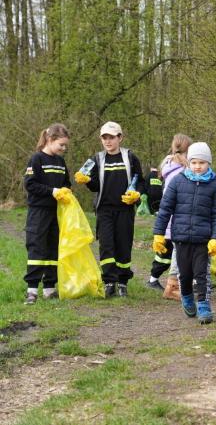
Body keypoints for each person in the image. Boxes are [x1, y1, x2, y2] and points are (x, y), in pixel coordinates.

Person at [153, 142, 216, 324]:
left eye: (202, 163)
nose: (197, 166)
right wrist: (158, 233)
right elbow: (165, 209)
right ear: (188, 163)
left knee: (202, 274)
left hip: (203, 239)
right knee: (184, 274)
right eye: (194, 162)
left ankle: (203, 304)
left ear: (208, 163)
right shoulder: (178, 181)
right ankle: (186, 296)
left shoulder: (214, 185)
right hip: (181, 237)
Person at [75, 121, 144, 298]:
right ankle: (109, 282)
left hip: (125, 210)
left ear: (120, 138)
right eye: (104, 138)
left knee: (123, 245)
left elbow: (140, 181)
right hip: (104, 210)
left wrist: (137, 194)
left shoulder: (130, 157)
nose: (108, 141)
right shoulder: (96, 159)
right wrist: (87, 181)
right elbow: (95, 185)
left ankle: (122, 283)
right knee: (106, 247)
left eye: (111, 137)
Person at [23, 124, 72, 304]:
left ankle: (50, 289)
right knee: (37, 248)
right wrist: (52, 191)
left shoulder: (60, 162)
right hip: (38, 212)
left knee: (53, 248)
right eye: (61, 145)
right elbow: (30, 184)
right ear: (50, 140)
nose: (63, 149)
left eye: (65, 146)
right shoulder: (36, 159)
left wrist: (66, 191)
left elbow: (66, 183)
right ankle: (32, 290)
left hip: (56, 213)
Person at [147, 133, 192, 292]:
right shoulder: (182, 169)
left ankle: (185, 280)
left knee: (174, 252)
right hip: (176, 217)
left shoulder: (169, 164)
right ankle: (160, 281)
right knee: (172, 253)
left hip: (170, 216)